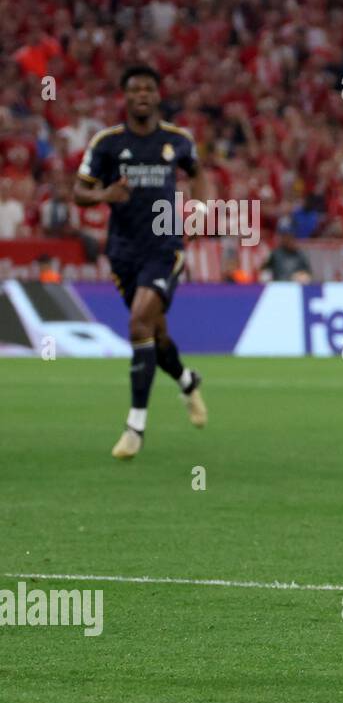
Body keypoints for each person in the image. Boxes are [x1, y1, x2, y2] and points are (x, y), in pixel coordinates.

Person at [73, 64, 208, 460]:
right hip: (122, 252)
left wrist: (199, 206)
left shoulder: (177, 140)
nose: (142, 95)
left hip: (165, 247)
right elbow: (79, 192)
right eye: (135, 89)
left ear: (157, 95)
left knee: (137, 324)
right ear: (126, 96)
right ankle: (186, 380)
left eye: (149, 88)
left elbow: (198, 174)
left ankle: (135, 426)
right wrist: (103, 196)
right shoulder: (107, 143)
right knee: (156, 335)